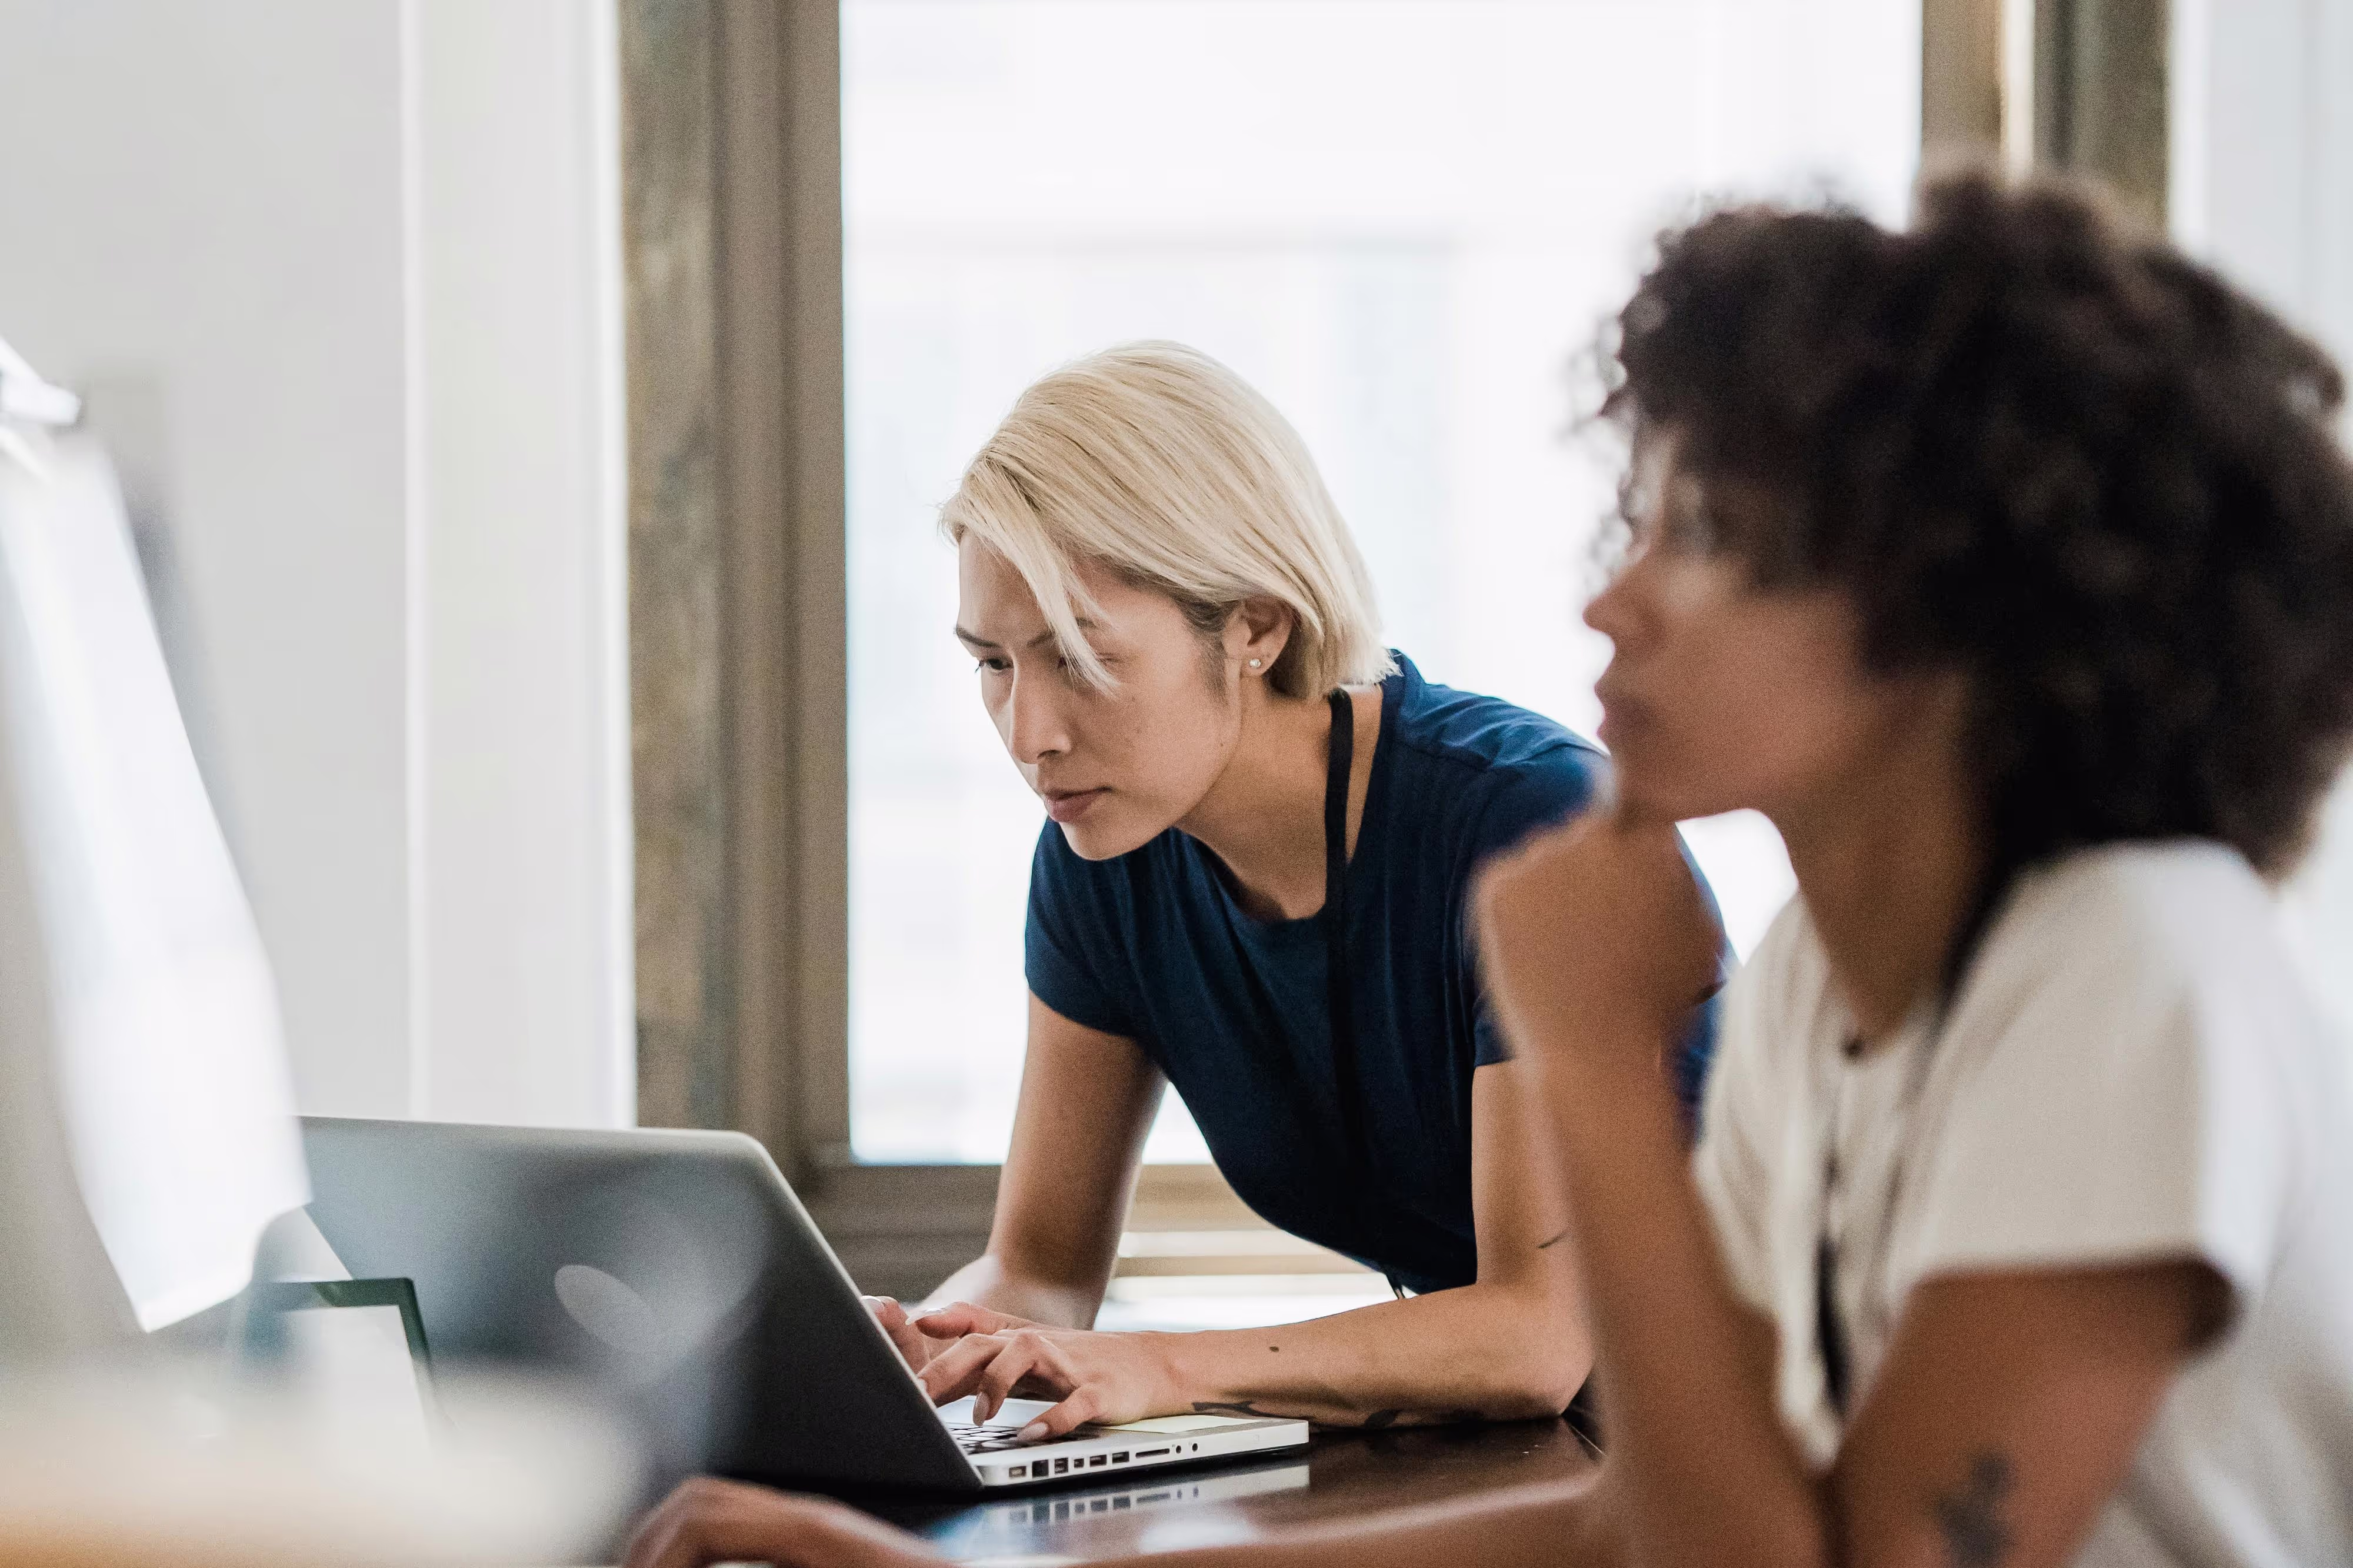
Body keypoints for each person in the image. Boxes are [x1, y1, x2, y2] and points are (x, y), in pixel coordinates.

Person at [620, 170, 2353, 1568]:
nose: (1614, 600)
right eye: (1640, 526)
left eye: (1713, 540)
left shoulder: (2135, 964)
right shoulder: (1834, 983)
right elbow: (1638, 1521)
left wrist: (1591, 1056)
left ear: (1951, 620)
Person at [868, 341, 1721, 1442]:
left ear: (1258, 627)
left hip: (1780, 1438)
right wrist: (934, 1348)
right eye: (994, 664)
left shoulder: (1524, 818)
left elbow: (1535, 1336)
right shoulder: (1101, 849)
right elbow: (1040, 1270)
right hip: (1542, 1459)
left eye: (1079, 655)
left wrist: (1158, 1363)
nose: (1031, 735)